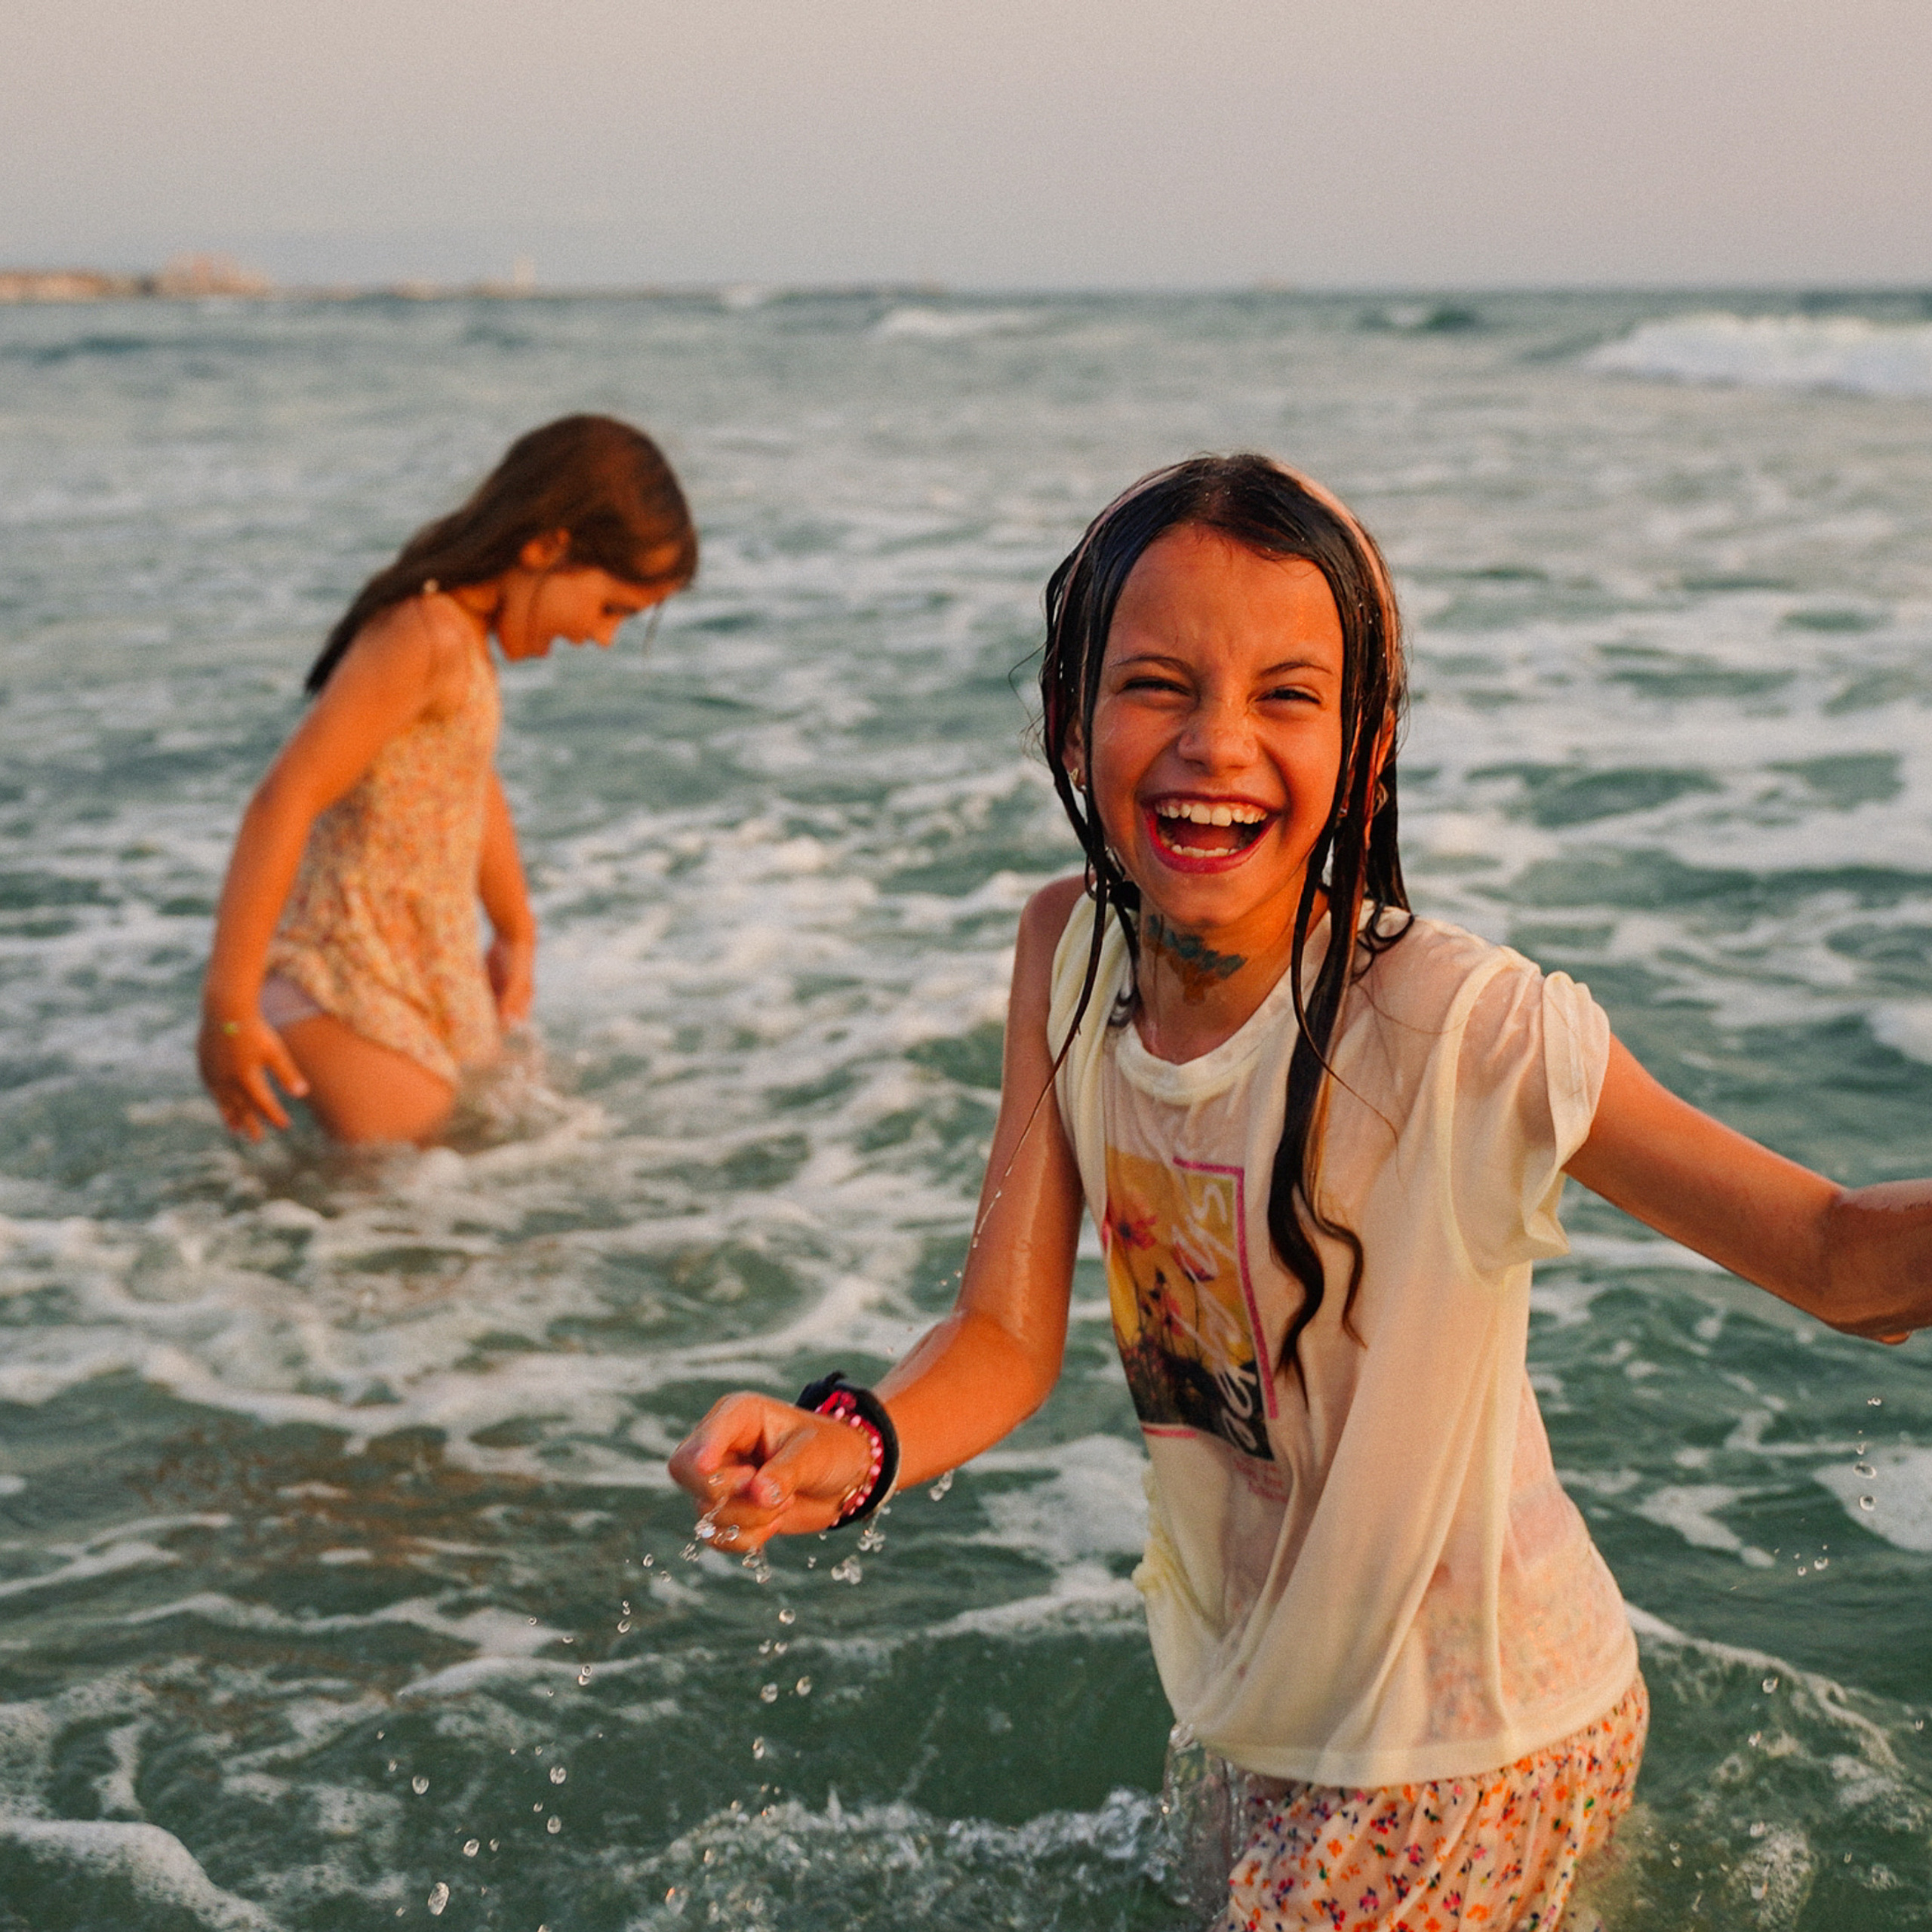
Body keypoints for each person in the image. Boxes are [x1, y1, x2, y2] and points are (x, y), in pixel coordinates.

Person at [668, 454, 1932, 1930]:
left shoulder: (1458, 1024)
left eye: (1285, 694)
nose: (1217, 744)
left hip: (1465, 1737)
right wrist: (853, 1441)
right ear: (1067, 725)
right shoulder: (1066, 953)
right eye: (1154, 683)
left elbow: (1838, 1260)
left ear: (1364, 747)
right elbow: (1001, 1335)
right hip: (1259, 1700)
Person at [198, 414, 696, 1146]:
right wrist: (228, 1013)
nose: (603, 635)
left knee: (483, 1168)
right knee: (411, 1220)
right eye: (611, 607)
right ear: (546, 545)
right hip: (346, 979)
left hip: (420, 969)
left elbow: (467, 776)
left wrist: (515, 927)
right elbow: (286, 797)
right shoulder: (424, 635)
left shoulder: (459, 638)